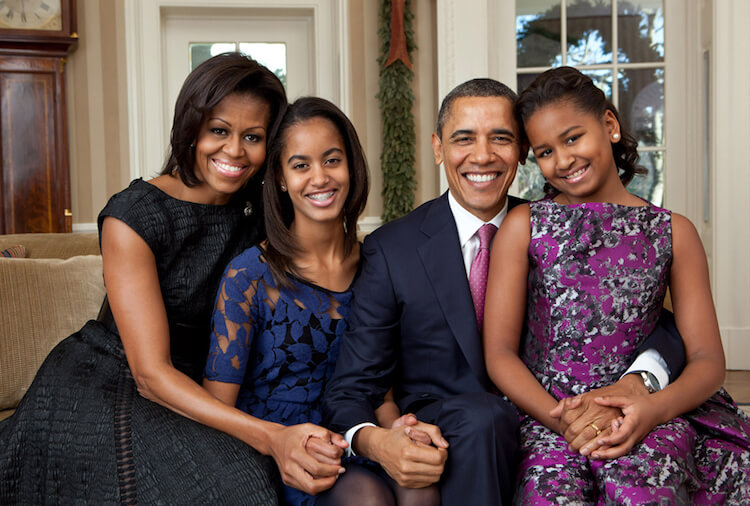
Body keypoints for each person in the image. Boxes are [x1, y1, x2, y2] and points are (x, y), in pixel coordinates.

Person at [322, 78, 686, 505]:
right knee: (485, 417)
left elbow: (646, 317)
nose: (482, 155)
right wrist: (379, 440)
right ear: (439, 148)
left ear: (522, 152)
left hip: (558, 415)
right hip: (456, 428)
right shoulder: (392, 249)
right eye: (464, 139)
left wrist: (642, 378)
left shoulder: (557, 226)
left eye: (501, 138)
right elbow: (351, 388)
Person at [0, 53, 299, 503]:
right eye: (219, 130)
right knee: (237, 488)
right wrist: (269, 436)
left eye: (252, 137)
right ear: (190, 126)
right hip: (110, 382)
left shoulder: (262, 213)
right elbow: (151, 374)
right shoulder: (135, 215)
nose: (234, 151)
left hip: (200, 384)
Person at [483, 66, 750, 503]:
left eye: (572, 139)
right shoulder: (524, 226)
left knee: (643, 486)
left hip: (647, 412)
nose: (563, 160)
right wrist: (565, 421)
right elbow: (499, 354)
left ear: (609, 125)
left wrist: (649, 410)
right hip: (550, 414)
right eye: (545, 151)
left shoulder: (673, 231)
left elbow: (707, 360)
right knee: (550, 493)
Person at [203, 96, 439, 506]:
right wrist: (276, 443)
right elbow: (217, 408)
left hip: (358, 437)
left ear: (351, 166)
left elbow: (379, 389)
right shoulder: (250, 275)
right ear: (279, 177)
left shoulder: (379, 264)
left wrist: (399, 430)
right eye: (301, 165)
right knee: (366, 498)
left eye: (332, 160)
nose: (320, 178)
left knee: (420, 490)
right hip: (283, 453)